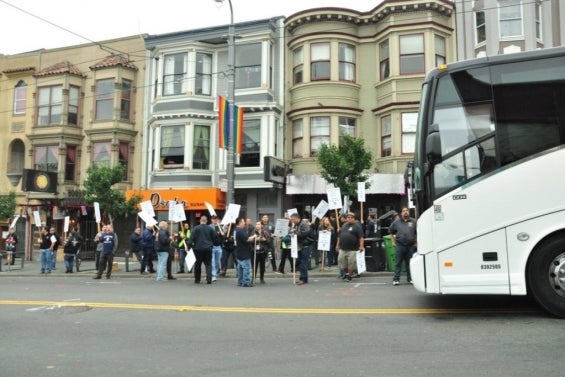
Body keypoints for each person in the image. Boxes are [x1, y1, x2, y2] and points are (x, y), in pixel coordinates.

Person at [389, 206, 417, 286]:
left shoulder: (414, 221)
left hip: (410, 246)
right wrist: (393, 242)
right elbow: (391, 231)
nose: (405, 212)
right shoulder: (396, 222)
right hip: (400, 245)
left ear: (409, 212)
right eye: (403, 211)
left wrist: (416, 242)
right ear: (401, 213)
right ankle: (396, 279)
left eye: (407, 210)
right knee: (398, 263)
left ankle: (410, 279)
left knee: (410, 263)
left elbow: (418, 232)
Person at [335, 212, 364, 282]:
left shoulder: (357, 226)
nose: (350, 219)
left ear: (354, 219)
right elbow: (339, 236)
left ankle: (349, 275)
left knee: (351, 264)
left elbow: (361, 237)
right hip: (343, 248)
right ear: (346, 219)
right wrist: (337, 245)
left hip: (353, 249)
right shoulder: (344, 225)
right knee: (341, 262)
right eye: (348, 217)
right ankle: (347, 273)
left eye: (352, 217)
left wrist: (361, 246)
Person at [189, 215, 215, 284]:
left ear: (200, 221)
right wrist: (213, 244)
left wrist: (190, 246)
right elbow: (214, 238)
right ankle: (209, 279)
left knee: (198, 264)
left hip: (198, 248)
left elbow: (191, 239)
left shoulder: (196, 228)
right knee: (208, 264)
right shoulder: (210, 229)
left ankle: (197, 279)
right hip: (208, 248)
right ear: (206, 221)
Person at [289, 212, 313, 285]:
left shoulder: (304, 224)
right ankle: (302, 278)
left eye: (293, 219)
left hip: (306, 245)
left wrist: (296, 233)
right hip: (300, 246)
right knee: (300, 262)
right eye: (291, 220)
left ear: (297, 218)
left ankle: (303, 279)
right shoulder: (296, 225)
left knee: (303, 262)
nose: (292, 221)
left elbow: (306, 232)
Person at [234, 217, 253, 287]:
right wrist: (254, 236)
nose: (244, 223)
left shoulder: (235, 230)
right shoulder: (240, 230)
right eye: (243, 222)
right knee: (246, 267)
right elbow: (247, 239)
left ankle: (240, 281)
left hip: (239, 251)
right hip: (244, 252)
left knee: (240, 268)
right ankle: (246, 282)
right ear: (239, 222)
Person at [209, 215, 224, 282]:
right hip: (212, 246)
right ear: (211, 220)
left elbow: (223, 235)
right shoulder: (209, 227)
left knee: (217, 261)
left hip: (218, 246)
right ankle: (213, 275)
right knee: (212, 261)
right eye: (214, 219)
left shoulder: (219, 227)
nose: (215, 220)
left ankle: (215, 272)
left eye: (216, 219)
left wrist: (220, 228)